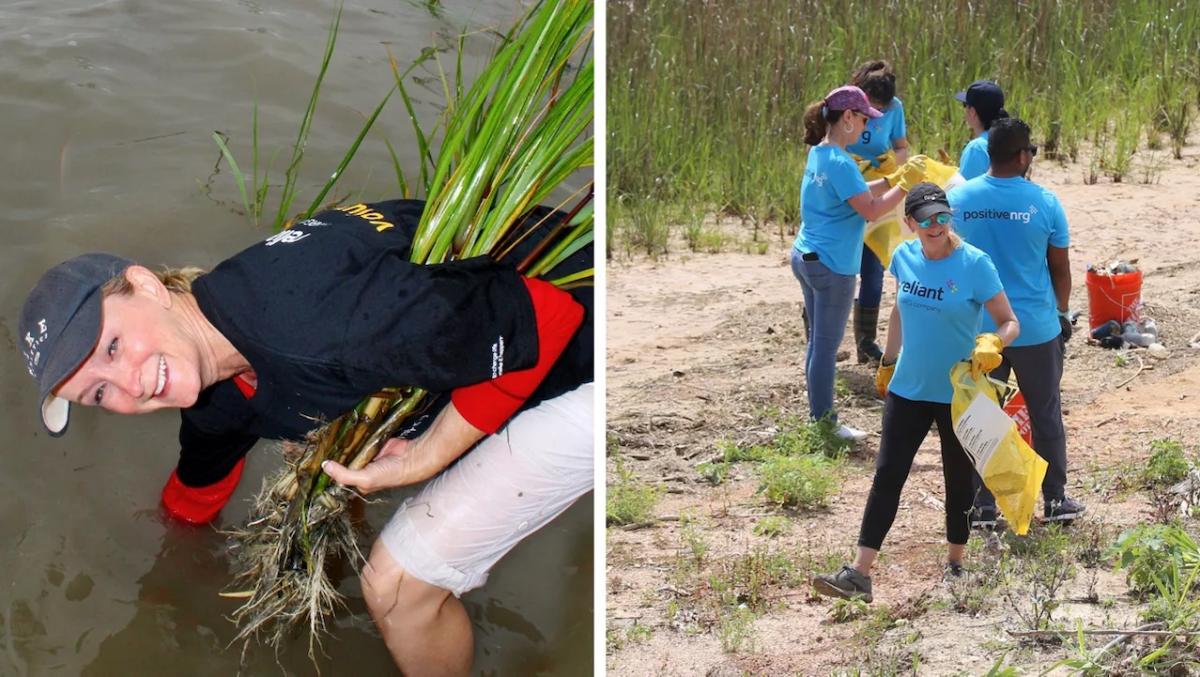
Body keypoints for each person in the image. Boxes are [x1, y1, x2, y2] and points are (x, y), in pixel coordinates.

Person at [19, 199, 593, 676]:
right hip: (512, 304)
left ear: (146, 286)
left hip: (590, 346)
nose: (129, 385)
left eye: (113, 346)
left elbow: (545, 319)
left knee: (398, 587)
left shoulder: (310, 327)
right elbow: (200, 478)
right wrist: (168, 573)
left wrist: (427, 456)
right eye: (97, 393)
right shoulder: (220, 361)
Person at [812, 183, 1019, 602]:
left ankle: (956, 564)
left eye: (943, 216)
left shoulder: (974, 264)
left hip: (957, 393)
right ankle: (859, 574)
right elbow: (898, 311)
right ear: (910, 223)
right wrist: (887, 363)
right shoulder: (903, 258)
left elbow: (1009, 321)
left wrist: (994, 342)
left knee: (958, 480)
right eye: (926, 219)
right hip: (908, 389)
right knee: (888, 475)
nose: (936, 225)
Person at [947, 117, 1084, 527]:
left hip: (980, 332)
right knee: (1045, 414)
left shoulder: (958, 199)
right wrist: (1062, 314)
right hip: (1036, 328)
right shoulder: (1044, 202)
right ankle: (1055, 500)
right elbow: (1059, 269)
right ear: (1023, 156)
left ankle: (983, 506)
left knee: (985, 416)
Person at [792, 84, 927, 442]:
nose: (867, 126)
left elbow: (856, 189)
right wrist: (905, 185)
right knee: (825, 348)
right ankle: (825, 424)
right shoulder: (841, 162)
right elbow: (869, 209)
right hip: (832, 266)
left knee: (817, 346)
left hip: (806, 256)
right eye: (864, 118)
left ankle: (818, 418)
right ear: (848, 117)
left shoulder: (821, 154)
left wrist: (891, 179)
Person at [847, 60, 909, 364]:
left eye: (882, 109)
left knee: (873, 270)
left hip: (880, 191)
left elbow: (901, 147)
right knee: (838, 267)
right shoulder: (843, 103)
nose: (877, 114)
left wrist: (889, 164)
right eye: (873, 107)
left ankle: (865, 341)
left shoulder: (895, 107)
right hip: (847, 189)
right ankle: (820, 333)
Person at [955, 80, 1009, 180]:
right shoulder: (1010, 140)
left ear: (972, 111)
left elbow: (966, 190)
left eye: (965, 105)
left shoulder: (977, 148)